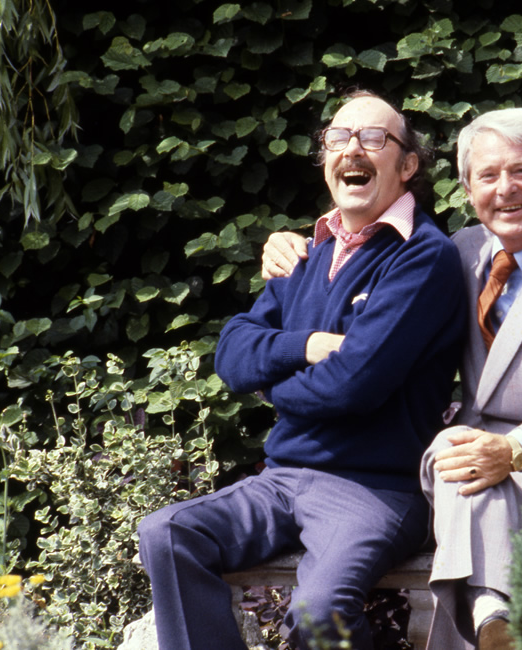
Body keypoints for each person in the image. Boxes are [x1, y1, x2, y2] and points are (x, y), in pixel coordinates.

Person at [262, 107, 522, 650]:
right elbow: (362, 241)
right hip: (463, 471)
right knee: (457, 454)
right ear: (468, 189)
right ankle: (494, 617)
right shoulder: (460, 253)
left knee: (460, 456)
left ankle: (492, 610)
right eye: (487, 176)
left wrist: (515, 448)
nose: (505, 189)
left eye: (521, 171)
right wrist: (297, 242)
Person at [138, 91, 467, 650]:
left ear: (407, 165)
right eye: (338, 138)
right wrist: (311, 344)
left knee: (318, 616)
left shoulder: (422, 257)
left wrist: (270, 382)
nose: (352, 150)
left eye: (373, 138)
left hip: (374, 490)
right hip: (282, 479)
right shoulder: (305, 253)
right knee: (168, 533)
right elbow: (232, 355)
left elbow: (353, 388)